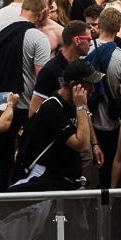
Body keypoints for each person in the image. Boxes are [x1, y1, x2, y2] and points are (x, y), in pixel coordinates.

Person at [16, 58, 99, 189]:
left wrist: (95, 144)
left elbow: (85, 123)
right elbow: (82, 145)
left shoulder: (73, 103)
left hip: (66, 178)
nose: (93, 90)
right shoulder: (53, 109)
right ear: (73, 85)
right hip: (46, 179)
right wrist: (81, 107)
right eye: (89, 85)